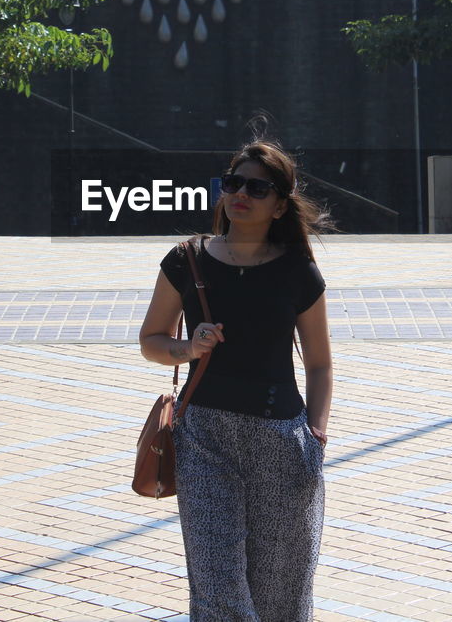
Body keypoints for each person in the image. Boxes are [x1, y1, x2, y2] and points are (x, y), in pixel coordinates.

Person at [138, 139, 333, 622]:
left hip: (281, 441)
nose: (241, 194)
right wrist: (186, 348)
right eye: (233, 183)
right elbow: (151, 340)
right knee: (217, 590)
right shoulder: (186, 260)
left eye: (257, 187)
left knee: (280, 595)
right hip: (204, 436)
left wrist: (316, 434)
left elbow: (320, 364)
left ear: (280, 204)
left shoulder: (298, 270)